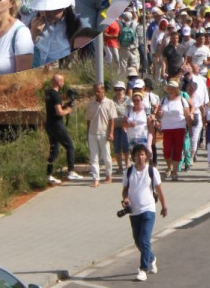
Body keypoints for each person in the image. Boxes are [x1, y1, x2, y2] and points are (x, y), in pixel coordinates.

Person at [121, 143, 167, 282]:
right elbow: (125, 190)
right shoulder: (129, 172)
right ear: (133, 157)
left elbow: (159, 189)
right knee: (138, 241)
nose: (140, 157)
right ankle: (151, 258)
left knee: (145, 240)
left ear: (146, 156)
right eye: (137, 155)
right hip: (134, 211)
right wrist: (125, 199)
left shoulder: (152, 171)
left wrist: (164, 206)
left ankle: (143, 269)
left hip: (148, 210)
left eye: (142, 154)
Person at [29, 0, 83, 67]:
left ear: (63, 7)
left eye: (52, 9)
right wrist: (33, 35)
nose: (46, 14)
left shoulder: (76, 25)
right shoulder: (33, 20)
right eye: (43, 9)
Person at [45, 74, 82, 184]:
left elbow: (53, 109)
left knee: (54, 149)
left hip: (49, 124)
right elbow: (59, 112)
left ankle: (48, 174)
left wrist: (66, 105)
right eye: (63, 81)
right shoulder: (56, 95)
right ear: (58, 82)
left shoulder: (48, 93)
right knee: (70, 146)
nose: (64, 83)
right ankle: (71, 171)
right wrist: (68, 110)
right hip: (57, 125)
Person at [156, 79, 192, 181]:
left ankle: (175, 171)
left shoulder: (182, 100)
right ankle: (169, 167)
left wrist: (190, 128)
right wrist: (159, 116)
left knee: (177, 150)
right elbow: (158, 113)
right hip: (167, 128)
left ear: (177, 89)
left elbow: (187, 115)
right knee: (166, 150)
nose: (171, 90)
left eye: (173, 88)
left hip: (179, 127)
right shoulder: (163, 100)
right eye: (169, 88)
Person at [85, 83, 117, 187]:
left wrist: (111, 133)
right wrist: (87, 134)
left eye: (98, 91)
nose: (96, 93)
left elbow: (112, 120)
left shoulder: (109, 103)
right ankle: (96, 179)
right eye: (95, 91)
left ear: (103, 91)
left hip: (104, 133)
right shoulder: (91, 104)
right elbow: (88, 120)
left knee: (106, 157)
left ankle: (108, 175)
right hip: (92, 134)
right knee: (94, 158)